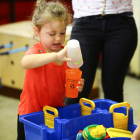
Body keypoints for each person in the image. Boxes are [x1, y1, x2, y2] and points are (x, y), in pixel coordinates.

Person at [17, 0, 84, 140]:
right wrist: (55, 56)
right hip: (30, 114)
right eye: (52, 34)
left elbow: (69, 85)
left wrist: (77, 85)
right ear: (37, 32)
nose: (58, 39)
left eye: (62, 32)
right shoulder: (36, 51)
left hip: (55, 113)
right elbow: (25, 62)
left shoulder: (66, 55)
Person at [64, 0, 138, 105]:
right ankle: (66, 121)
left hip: (122, 21)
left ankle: (114, 121)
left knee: (113, 91)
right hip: (84, 22)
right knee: (76, 89)